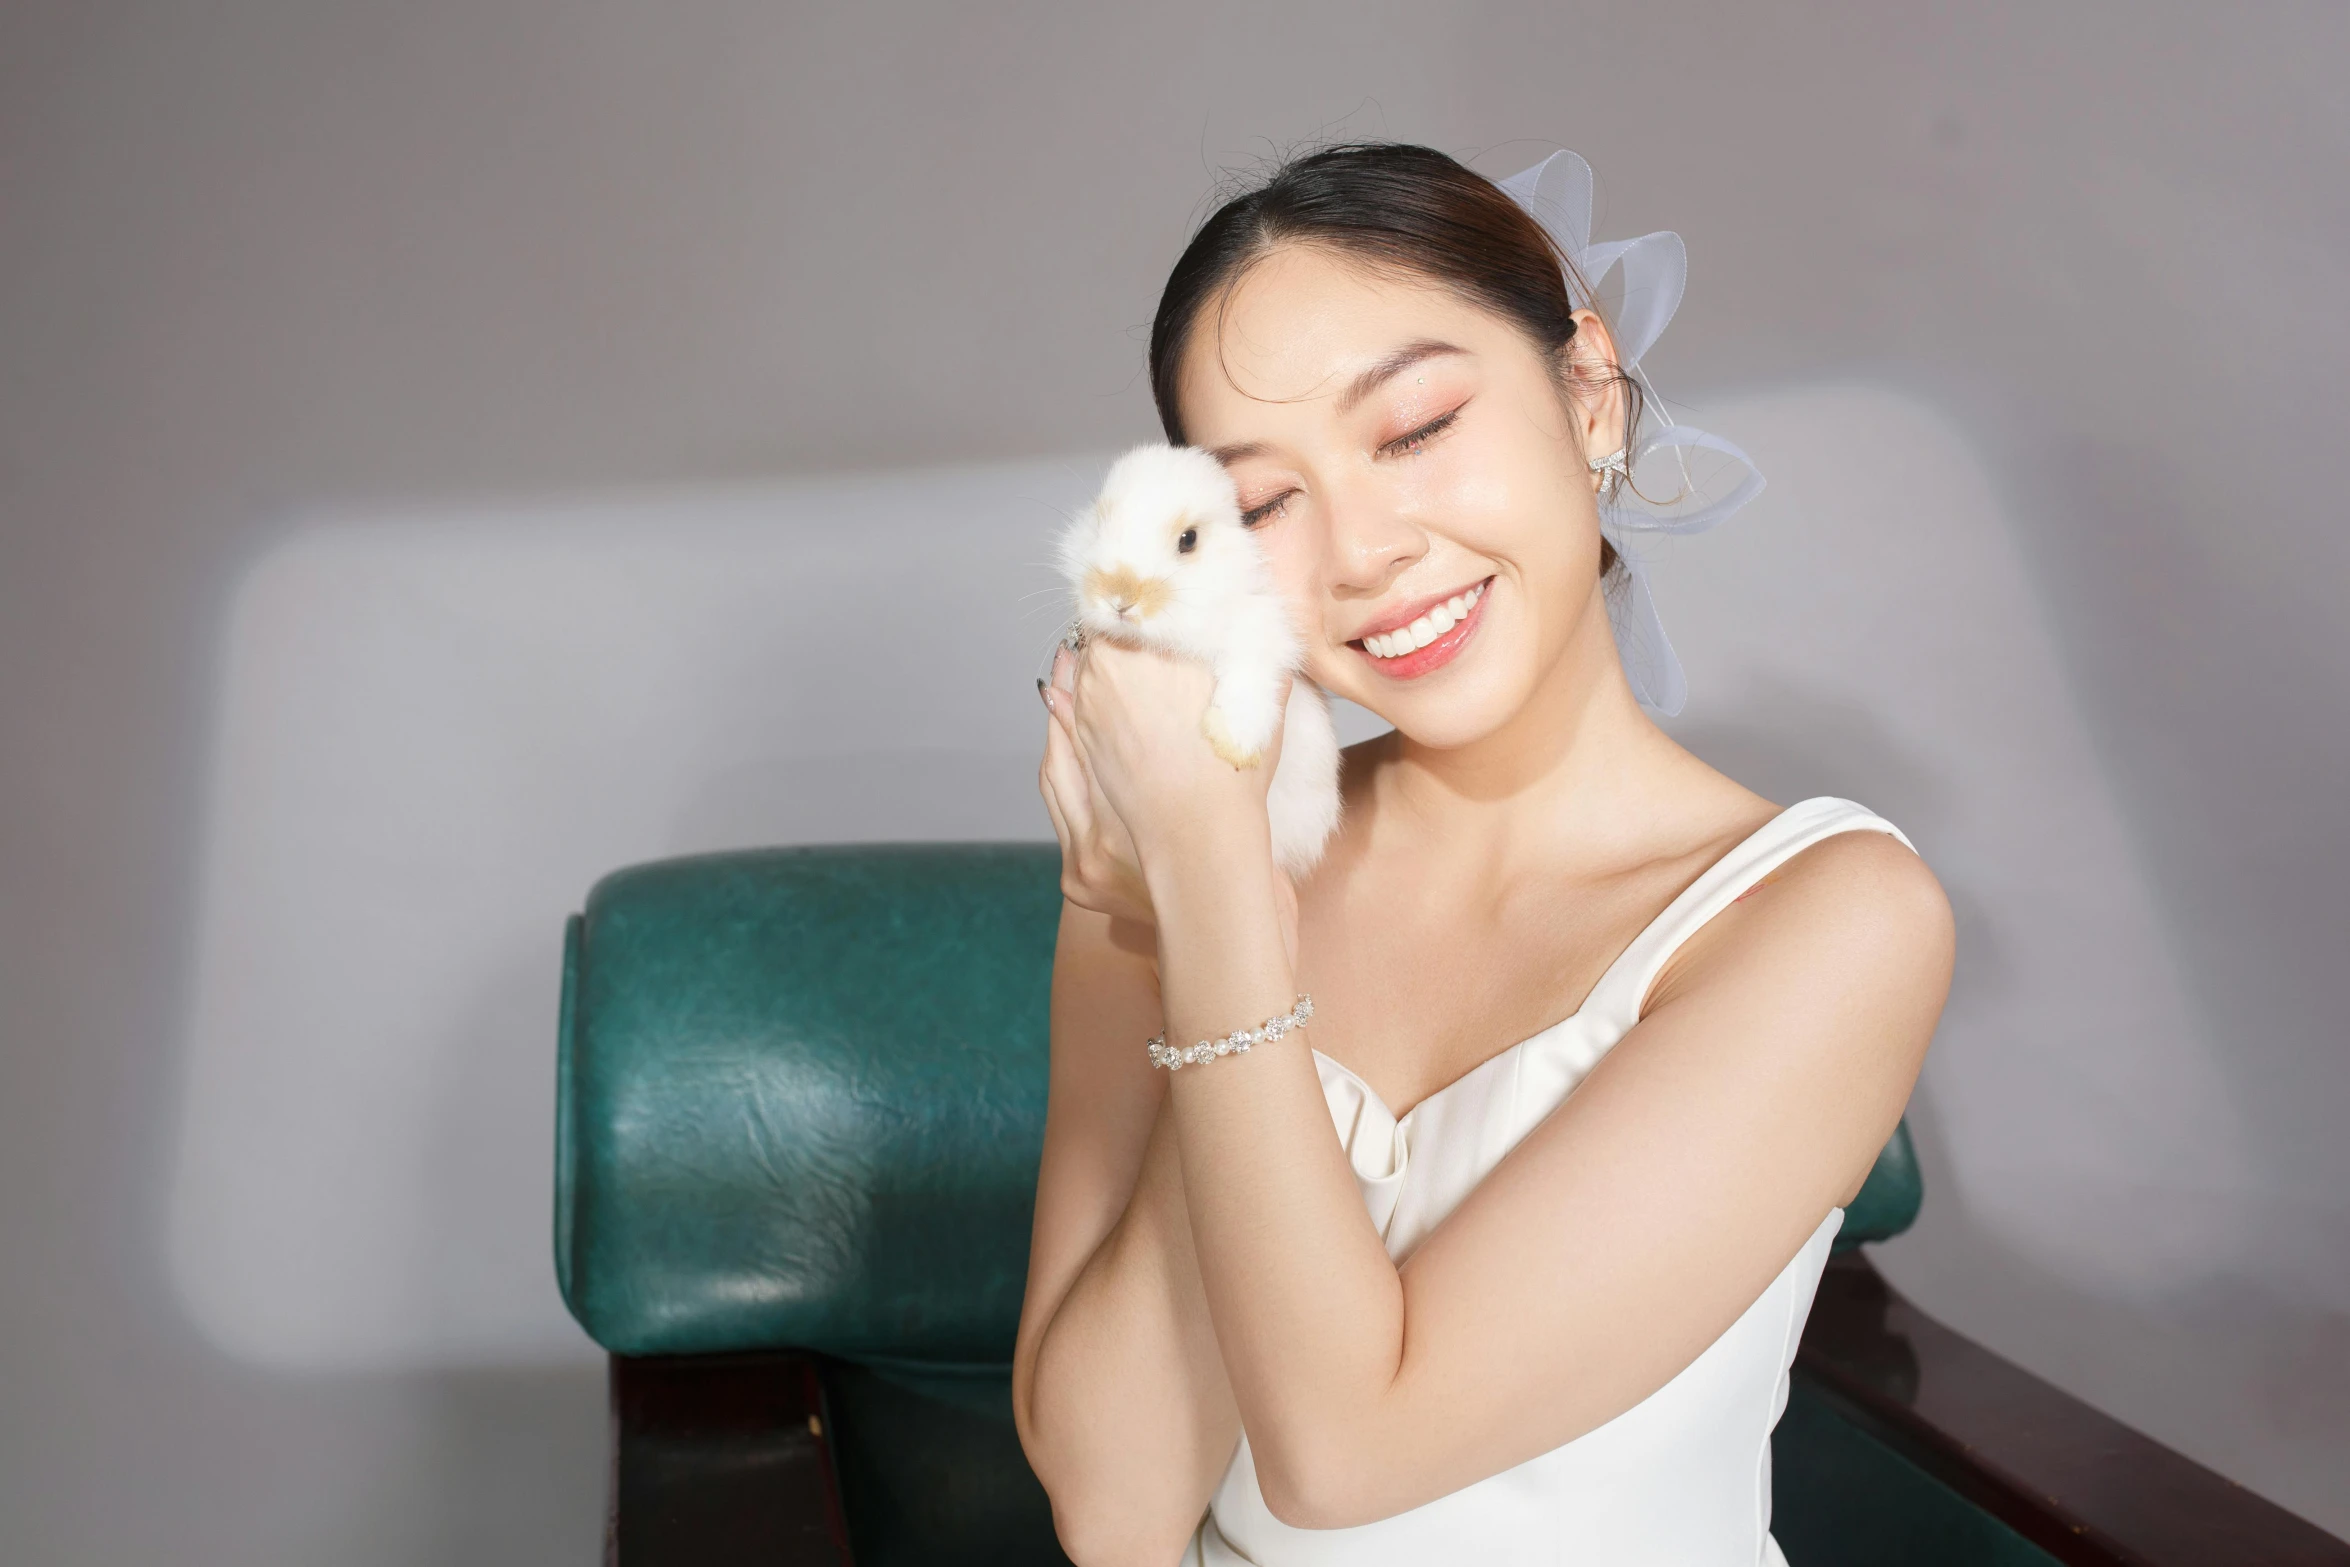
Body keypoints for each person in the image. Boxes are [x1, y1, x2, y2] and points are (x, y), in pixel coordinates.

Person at [1012, 142, 1954, 1566]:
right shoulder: (1181, 866)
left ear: (1584, 391)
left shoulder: (1830, 919)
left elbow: (1343, 1454)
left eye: (1412, 429)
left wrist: (1207, 889)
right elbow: (1113, 1508)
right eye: (1264, 502)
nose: (1363, 552)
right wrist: (1171, 907)